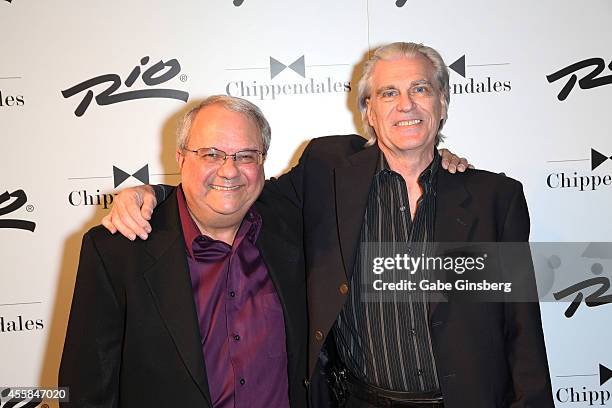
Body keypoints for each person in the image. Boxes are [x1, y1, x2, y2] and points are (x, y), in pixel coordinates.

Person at [103, 42, 554, 408]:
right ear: (369, 112)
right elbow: (238, 190)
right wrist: (155, 194)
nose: (406, 105)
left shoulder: (495, 198)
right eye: (389, 93)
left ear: (442, 102)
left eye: (421, 89)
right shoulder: (326, 170)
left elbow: (522, 328)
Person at [59, 96, 308, 408]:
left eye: (245, 155)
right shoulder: (117, 251)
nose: (229, 171)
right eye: (211, 154)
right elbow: (85, 393)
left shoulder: (294, 231)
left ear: (262, 162)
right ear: (180, 159)